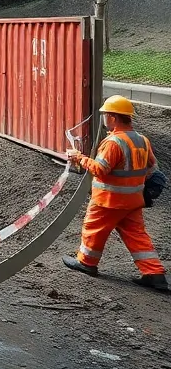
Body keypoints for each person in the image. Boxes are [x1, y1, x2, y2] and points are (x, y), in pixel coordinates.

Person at [62, 96, 168, 292]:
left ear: (112, 117)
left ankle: (86, 263)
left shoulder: (113, 142)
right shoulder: (142, 140)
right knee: (137, 236)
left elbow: (100, 169)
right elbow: (152, 166)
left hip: (108, 201)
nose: (104, 119)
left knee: (93, 230)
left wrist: (80, 158)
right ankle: (155, 275)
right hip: (134, 200)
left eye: (105, 115)